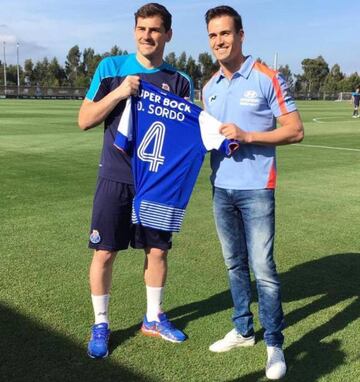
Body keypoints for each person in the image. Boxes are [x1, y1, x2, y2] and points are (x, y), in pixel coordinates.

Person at [78, 3, 193, 359]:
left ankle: (152, 317)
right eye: (142, 28)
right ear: (134, 32)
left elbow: (184, 137)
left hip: (157, 183)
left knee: (157, 250)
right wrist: (119, 93)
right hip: (115, 176)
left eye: (155, 29)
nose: (148, 35)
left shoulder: (180, 81)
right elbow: (84, 120)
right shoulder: (110, 68)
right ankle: (100, 323)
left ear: (168, 35)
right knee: (105, 252)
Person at [202, 6, 304, 380]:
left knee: (264, 269)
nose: (219, 41)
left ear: (241, 35)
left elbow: (295, 130)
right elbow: (210, 137)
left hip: (257, 188)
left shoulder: (266, 77)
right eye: (213, 35)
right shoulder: (209, 87)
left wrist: (249, 136)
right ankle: (243, 329)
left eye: (225, 33)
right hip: (221, 189)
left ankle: (274, 343)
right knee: (233, 264)